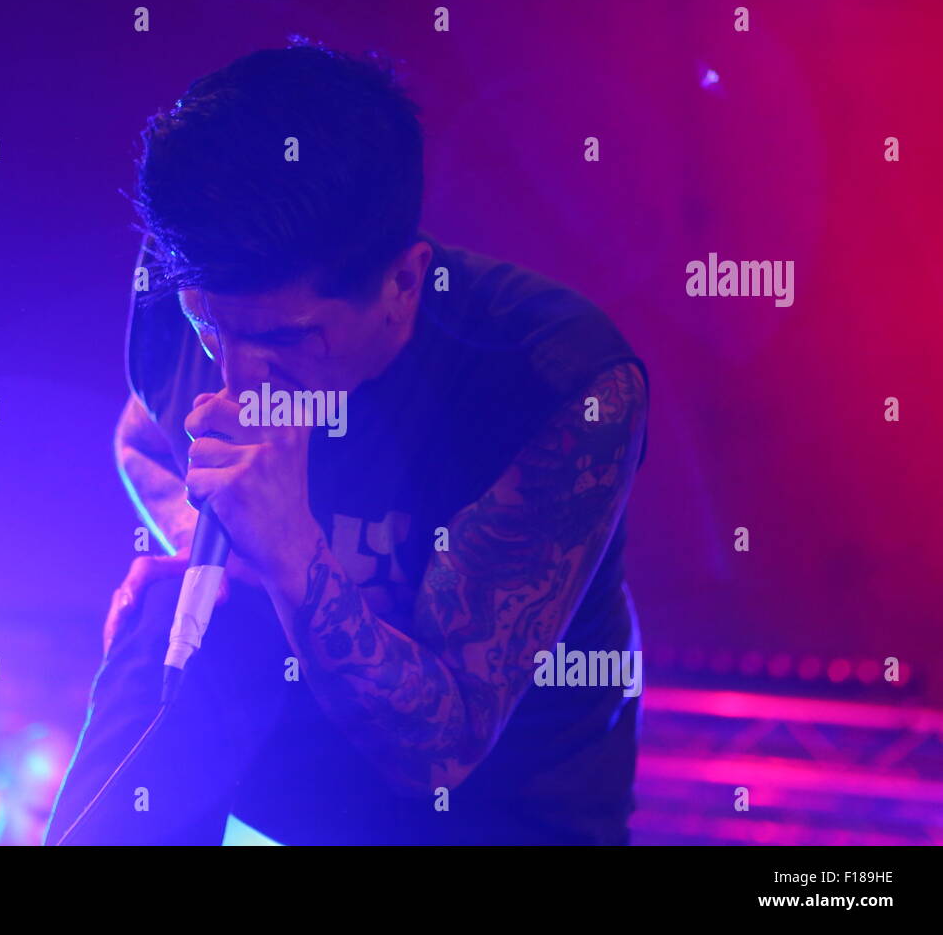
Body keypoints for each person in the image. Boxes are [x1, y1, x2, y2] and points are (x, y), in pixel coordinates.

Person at [45, 41, 650, 845]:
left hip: (491, 804)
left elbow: (439, 748)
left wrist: (289, 547)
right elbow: (144, 440)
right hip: (301, 769)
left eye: (286, 340)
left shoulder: (554, 376)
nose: (238, 376)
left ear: (404, 283)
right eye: (208, 327)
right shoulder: (191, 286)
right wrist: (211, 547)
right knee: (174, 616)